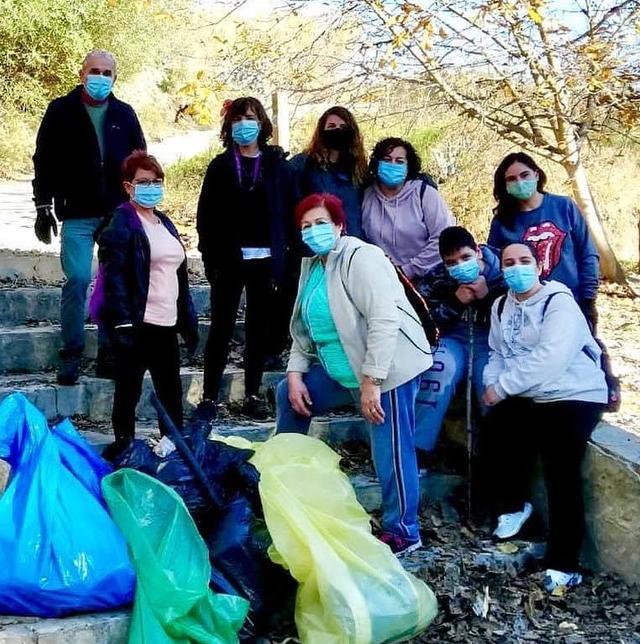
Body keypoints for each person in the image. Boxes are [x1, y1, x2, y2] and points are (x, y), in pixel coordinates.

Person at [276, 193, 434, 555]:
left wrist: (372, 381)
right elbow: (304, 329)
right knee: (288, 392)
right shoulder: (313, 267)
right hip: (342, 367)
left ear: (339, 225)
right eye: (306, 226)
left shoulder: (361, 257)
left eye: (321, 223)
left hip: (388, 367)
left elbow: (383, 319)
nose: (314, 232)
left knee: (390, 447)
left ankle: (404, 530)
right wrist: (297, 373)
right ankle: (283, 482)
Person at [480, 242, 607, 593]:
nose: (516, 268)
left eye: (524, 261)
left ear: (538, 266)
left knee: (561, 467)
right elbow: (496, 352)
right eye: (509, 262)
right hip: (530, 393)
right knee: (494, 429)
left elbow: (552, 357)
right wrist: (493, 383)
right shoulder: (502, 305)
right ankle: (514, 506)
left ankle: (564, 563)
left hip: (573, 393)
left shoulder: (558, 303)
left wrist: (504, 386)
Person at [32, 50, 147, 385]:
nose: (100, 78)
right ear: (82, 74)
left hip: (115, 213)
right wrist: (43, 206)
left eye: (107, 73)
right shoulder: (61, 111)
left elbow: (139, 160)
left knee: (116, 283)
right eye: (94, 71)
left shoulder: (124, 114)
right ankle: (71, 353)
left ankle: (110, 352)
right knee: (79, 279)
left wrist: (139, 206)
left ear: (115, 78)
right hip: (77, 211)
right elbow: (45, 159)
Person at [486, 152, 620, 410]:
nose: (520, 182)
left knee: (584, 346)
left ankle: (602, 392)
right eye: (512, 179)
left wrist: (589, 295)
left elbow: (587, 251)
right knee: (540, 353)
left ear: (536, 174)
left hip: (570, 298)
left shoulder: (563, 207)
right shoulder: (503, 221)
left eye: (525, 175)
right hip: (527, 303)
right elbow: (495, 261)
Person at [195, 97, 300, 421]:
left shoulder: (277, 165)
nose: (245, 125)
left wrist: (287, 255)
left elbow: (290, 210)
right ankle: (210, 396)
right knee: (221, 329)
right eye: (238, 118)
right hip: (228, 260)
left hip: (267, 261)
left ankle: (252, 393)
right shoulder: (220, 166)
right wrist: (211, 258)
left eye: (251, 118)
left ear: (262, 123)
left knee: (258, 330)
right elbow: (206, 216)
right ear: (230, 125)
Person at [97, 151, 198, 451]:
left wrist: (187, 320)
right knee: (128, 391)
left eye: (156, 181)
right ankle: (125, 446)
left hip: (166, 323)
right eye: (143, 182)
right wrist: (123, 322)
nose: (151, 187)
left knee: (171, 392)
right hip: (138, 323)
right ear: (128, 187)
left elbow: (179, 275)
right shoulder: (121, 223)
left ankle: (173, 447)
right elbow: (113, 276)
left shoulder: (164, 222)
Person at [413, 227, 505, 456]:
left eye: (465, 258)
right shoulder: (436, 278)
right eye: (451, 262)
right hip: (451, 337)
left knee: (490, 383)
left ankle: (496, 457)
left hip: (490, 341)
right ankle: (418, 448)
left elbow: (516, 320)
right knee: (439, 367)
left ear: (478, 252)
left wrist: (488, 299)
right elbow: (422, 322)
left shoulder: (504, 272)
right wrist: (455, 303)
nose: (460, 265)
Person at [360, 138, 455, 280]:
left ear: (408, 166)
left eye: (399, 161)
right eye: (387, 159)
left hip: (428, 278)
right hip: (382, 279)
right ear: (377, 164)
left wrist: (409, 270)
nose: (392, 165)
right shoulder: (366, 196)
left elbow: (442, 237)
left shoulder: (424, 193)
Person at [289, 106, 369, 239]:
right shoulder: (304, 163)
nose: (337, 130)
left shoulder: (358, 169)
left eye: (343, 127)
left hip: (352, 244)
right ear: (322, 131)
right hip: (317, 243)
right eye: (331, 126)